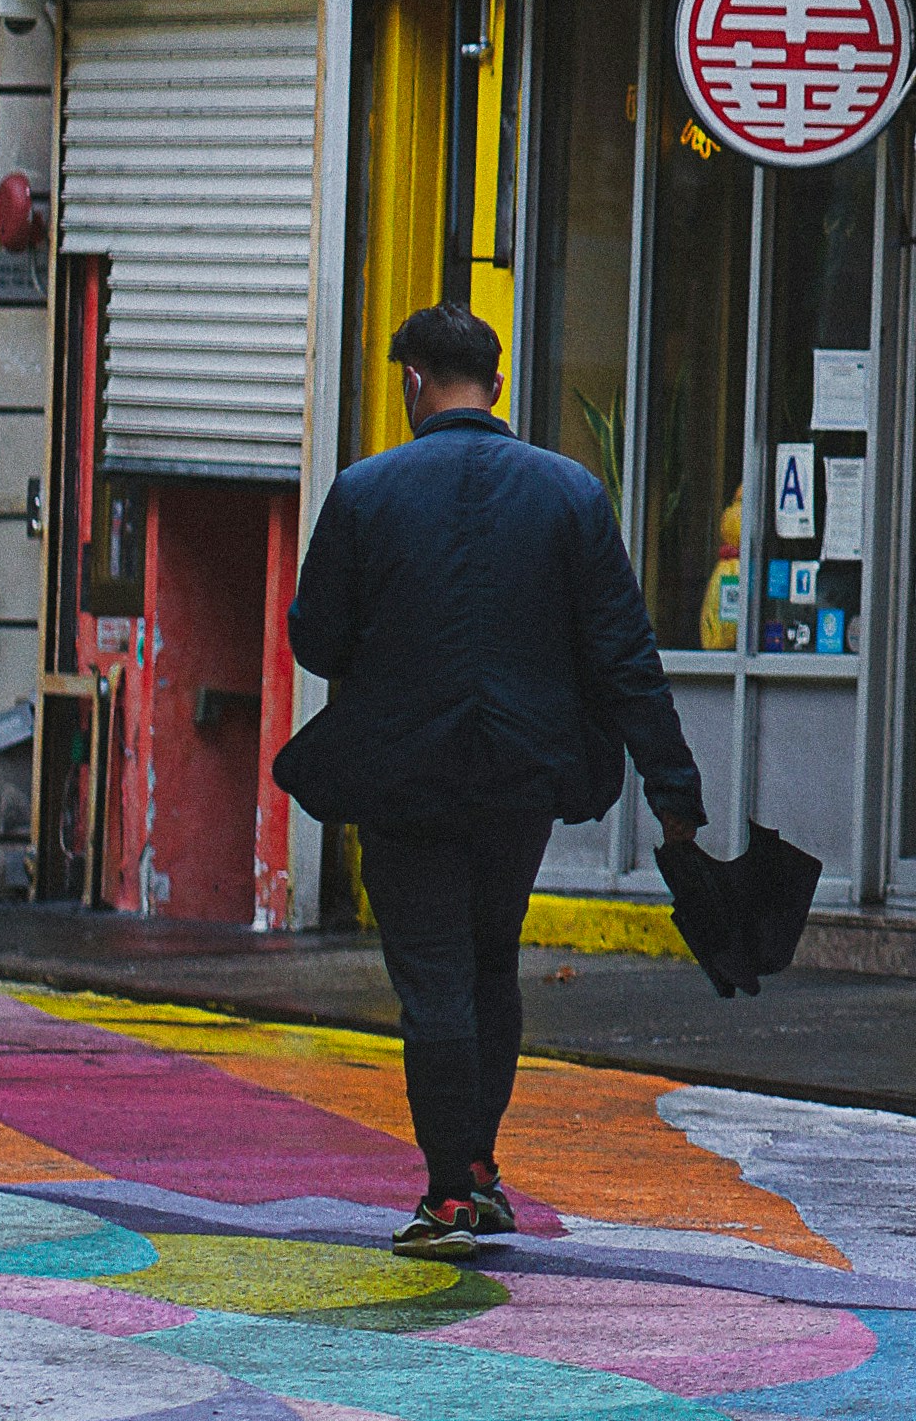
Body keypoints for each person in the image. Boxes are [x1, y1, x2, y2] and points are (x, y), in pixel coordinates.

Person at [277, 303, 705, 1256]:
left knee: (431, 976)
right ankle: (475, 1168)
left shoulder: (363, 491)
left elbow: (315, 640)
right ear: (498, 386)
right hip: (520, 775)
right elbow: (624, 656)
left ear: (411, 383)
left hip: (402, 775)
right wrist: (675, 794)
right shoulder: (569, 494)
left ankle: (451, 1191)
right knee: (487, 961)